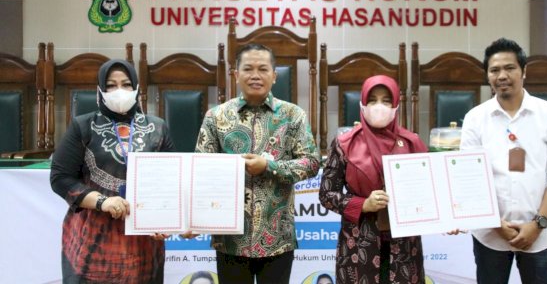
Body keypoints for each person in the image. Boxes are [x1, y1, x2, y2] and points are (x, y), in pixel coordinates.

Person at [194, 43, 320, 283]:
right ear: (236, 74)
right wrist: (194, 218)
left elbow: (312, 163)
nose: (255, 75)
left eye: (263, 69)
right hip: (229, 239)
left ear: (274, 76)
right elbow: (201, 171)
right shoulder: (216, 116)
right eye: (248, 69)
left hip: (278, 240)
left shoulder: (293, 116)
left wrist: (269, 167)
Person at [50, 59, 175, 283]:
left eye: (127, 84)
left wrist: (165, 220)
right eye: (111, 85)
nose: (120, 91)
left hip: (143, 240)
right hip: (93, 239)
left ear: (137, 88)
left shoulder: (158, 128)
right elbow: (60, 178)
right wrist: (101, 201)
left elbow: (172, 181)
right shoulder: (83, 126)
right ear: (100, 90)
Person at [459, 38, 547, 284]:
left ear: (523, 71)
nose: (502, 76)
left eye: (509, 68)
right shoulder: (475, 118)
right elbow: (470, 179)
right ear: (487, 76)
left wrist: (537, 224)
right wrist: (495, 224)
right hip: (490, 234)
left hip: (540, 236)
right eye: (495, 70)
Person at [319, 75, 427, 284]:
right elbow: (326, 194)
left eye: (386, 101)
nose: (379, 106)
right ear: (362, 104)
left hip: (405, 246)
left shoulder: (412, 143)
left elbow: (429, 193)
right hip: (359, 244)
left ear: (396, 104)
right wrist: (363, 204)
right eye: (373, 100)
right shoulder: (344, 144)